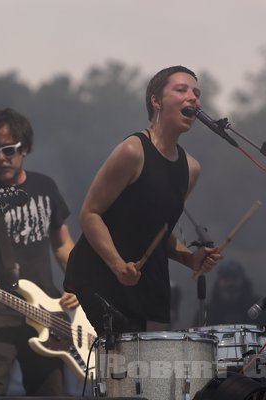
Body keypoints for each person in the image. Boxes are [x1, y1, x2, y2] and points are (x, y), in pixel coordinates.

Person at [64, 65, 222, 335]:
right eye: (181, 90)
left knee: (142, 372)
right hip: (102, 277)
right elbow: (89, 214)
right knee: (120, 367)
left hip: (143, 284)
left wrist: (190, 259)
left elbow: (158, 230)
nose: (193, 98)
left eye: (196, 93)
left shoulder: (190, 169)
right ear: (156, 101)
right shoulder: (133, 150)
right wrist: (116, 265)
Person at [0, 108, 78, 396]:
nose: (0, 157)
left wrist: (76, 284)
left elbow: (63, 245)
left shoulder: (45, 187)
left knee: (52, 392)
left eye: (9, 150)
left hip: (47, 308)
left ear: (25, 148)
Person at [193, 259, 264, 326]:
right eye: (225, 278)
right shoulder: (206, 312)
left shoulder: (257, 308)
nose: (230, 283)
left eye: (234, 278)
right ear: (218, 282)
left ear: (242, 281)